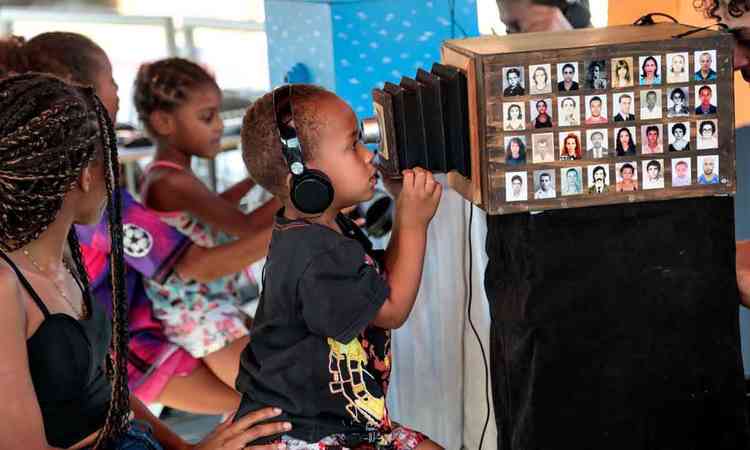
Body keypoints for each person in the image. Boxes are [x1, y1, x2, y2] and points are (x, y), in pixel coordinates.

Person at [0, 73, 289, 450]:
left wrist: (187, 449)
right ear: (87, 177)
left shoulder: (67, 255)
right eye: (111, 164)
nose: (118, 178)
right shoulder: (6, 286)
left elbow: (109, 390)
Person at [235, 84, 443, 449]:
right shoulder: (313, 251)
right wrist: (412, 223)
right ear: (303, 176)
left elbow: (380, 282)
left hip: (329, 422)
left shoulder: (325, 227)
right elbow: (391, 310)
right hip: (299, 433)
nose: (368, 156)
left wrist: (399, 203)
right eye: (352, 146)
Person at [134, 57, 279, 392]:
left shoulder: (169, 174)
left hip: (211, 305)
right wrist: (300, 185)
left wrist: (256, 181)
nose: (218, 126)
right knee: (270, 395)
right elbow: (245, 227)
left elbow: (214, 211)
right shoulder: (171, 182)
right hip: (199, 315)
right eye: (206, 117)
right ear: (164, 122)